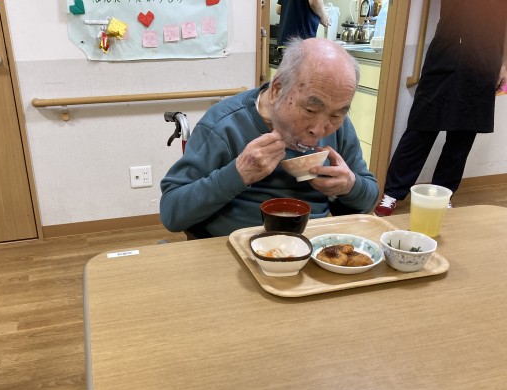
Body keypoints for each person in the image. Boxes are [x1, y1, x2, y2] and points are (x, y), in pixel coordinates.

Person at [160, 37, 379, 238]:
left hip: (313, 246)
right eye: (310, 110)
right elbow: (171, 213)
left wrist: (350, 185)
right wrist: (238, 174)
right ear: (277, 90)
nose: (320, 130)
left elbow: (368, 199)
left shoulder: (340, 128)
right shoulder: (224, 125)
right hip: (234, 247)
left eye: (336, 114)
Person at [374, 0, 507, 216]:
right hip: (446, 52)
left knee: (463, 136)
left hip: (485, 60)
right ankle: (393, 192)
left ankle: (443, 194)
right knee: (421, 127)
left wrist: (505, 64)